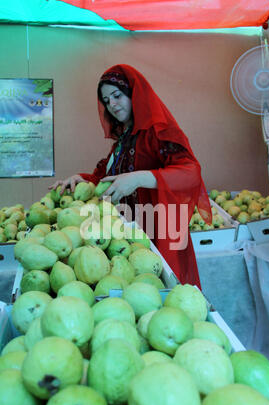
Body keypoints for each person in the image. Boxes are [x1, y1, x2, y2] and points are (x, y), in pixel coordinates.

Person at [49, 64, 211, 289]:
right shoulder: (123, 141)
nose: (112, 104)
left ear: (134, 94)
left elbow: (190, 173)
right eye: (106, 101)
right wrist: (80, 179)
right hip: (124, 240)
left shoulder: (160, 132)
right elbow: (105, 177)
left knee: (168, 302)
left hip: (160, 234)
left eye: (117, 96)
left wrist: (139, 178)